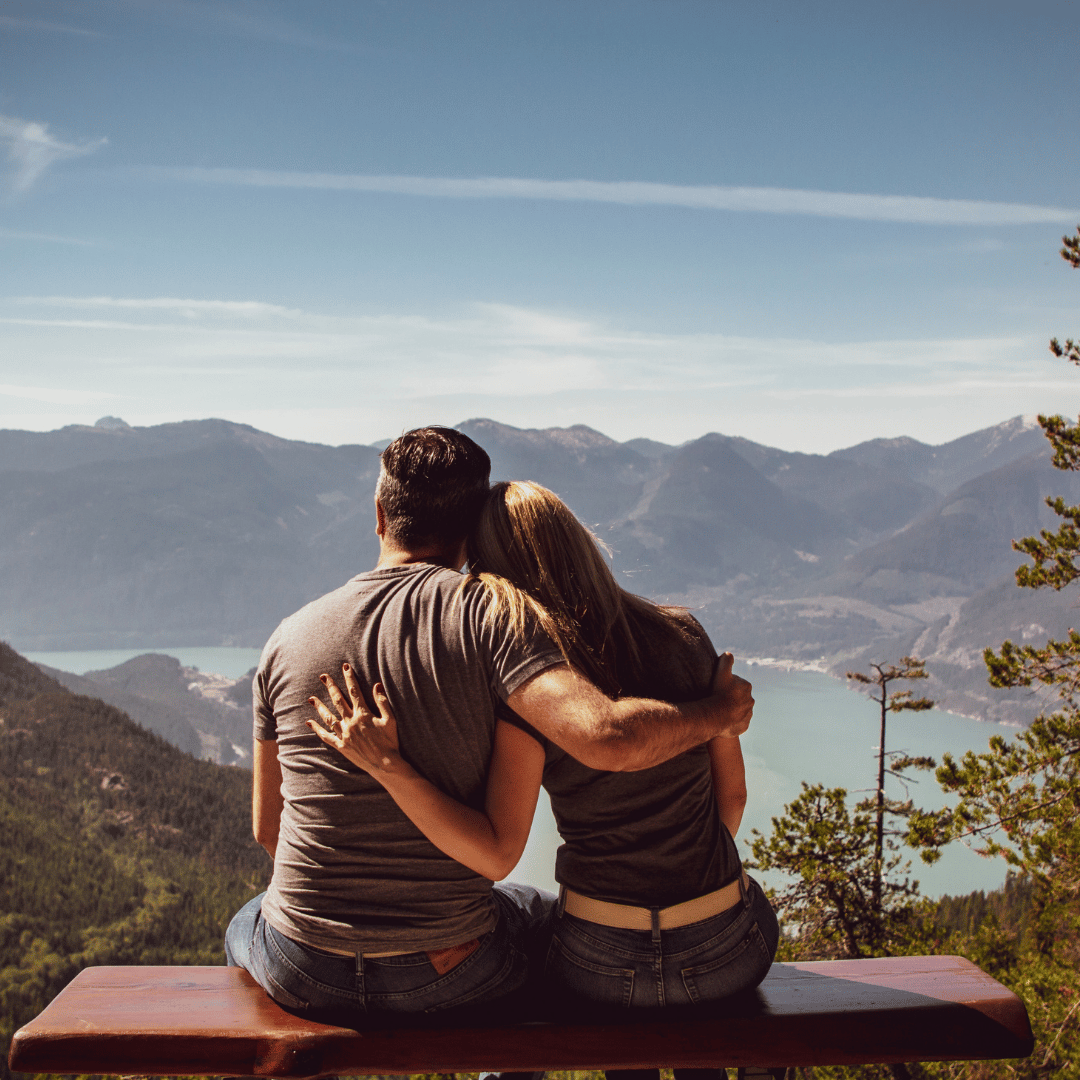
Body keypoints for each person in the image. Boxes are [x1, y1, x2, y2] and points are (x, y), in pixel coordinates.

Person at [228, 430, 755, 1026]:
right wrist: (720, 713)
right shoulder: (496, 619)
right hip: (449, 970)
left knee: (247, 919)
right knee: (533, 914)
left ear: (379, 516)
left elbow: (270, 832)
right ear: (471, 526)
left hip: (303, 967)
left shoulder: (285, 639)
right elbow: (599, 747)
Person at [310, 479, 778, 1074]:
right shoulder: (682, 635)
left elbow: (501, 840)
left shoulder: (535, 692)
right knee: (739, 932)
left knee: (536, 940)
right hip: (725, 949)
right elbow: (730, 802)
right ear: (579, 541)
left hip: (601, 956)